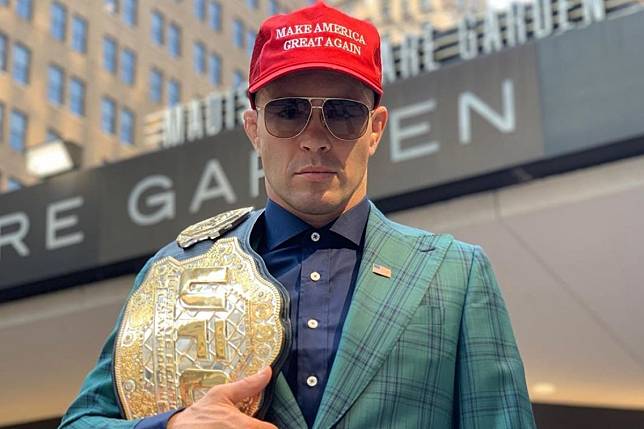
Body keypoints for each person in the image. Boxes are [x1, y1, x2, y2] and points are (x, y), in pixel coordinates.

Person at [60, 2, 536, 428]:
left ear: (375, 128)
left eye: (343, 112)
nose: (314, 137)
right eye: (287, 113)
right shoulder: (178, 270)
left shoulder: (455, 274)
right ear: (253, 129)